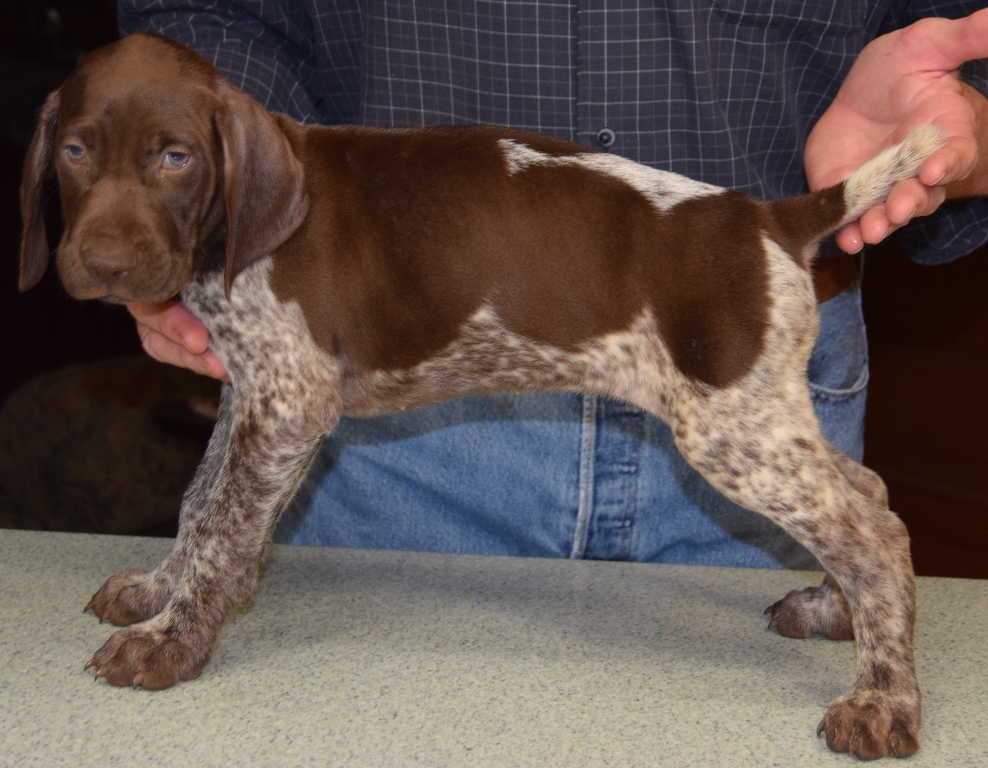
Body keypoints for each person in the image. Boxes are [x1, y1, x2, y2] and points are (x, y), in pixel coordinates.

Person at [116, 1, 988, 567]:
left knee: (829, 544)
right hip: (383, 441)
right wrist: (188, 197)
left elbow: (966, 44)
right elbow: (202, 14)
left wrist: (965, 119)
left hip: (730, 323)